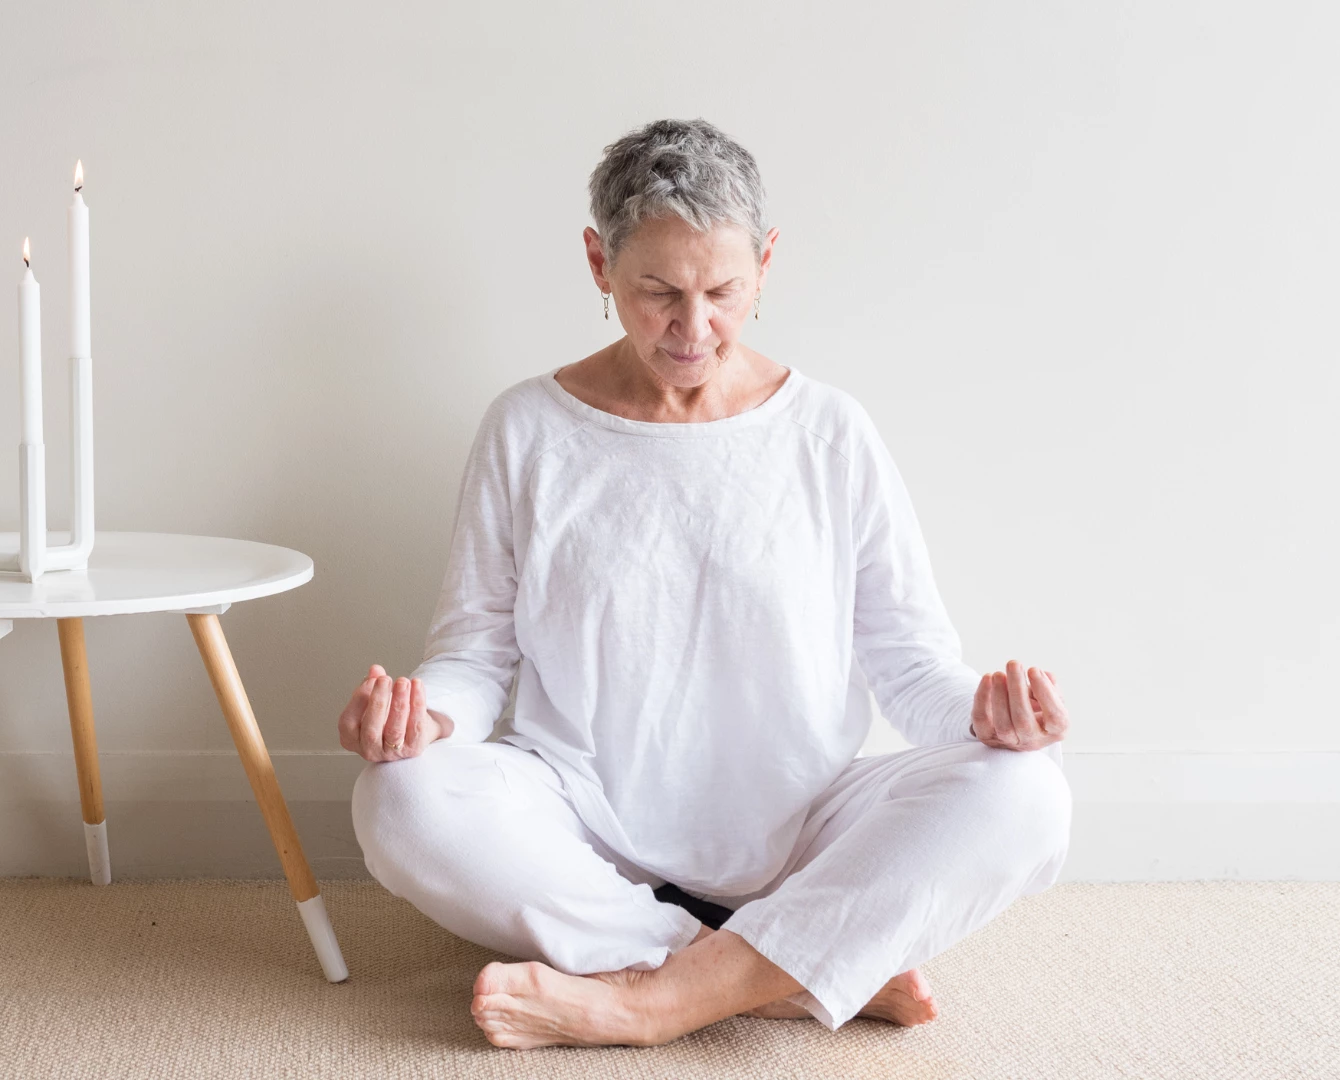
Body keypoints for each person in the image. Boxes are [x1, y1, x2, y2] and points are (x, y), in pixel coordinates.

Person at [339, 118, 1072, 1049]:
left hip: (805, 830)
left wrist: (985, 715)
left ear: (766, 263)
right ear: (599, 263)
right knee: (396, 798)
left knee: (1028, 793)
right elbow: (476, 656)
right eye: (658, 292)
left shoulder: (830, 432)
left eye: (723, 290)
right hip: (582, 824)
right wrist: (423, 717)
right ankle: (786, 971)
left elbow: (908, 662)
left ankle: (654, 997)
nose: (694, 329)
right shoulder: (527, 428)